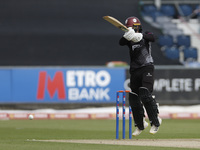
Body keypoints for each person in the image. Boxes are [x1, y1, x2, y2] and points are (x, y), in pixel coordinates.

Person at [119, 16, 162, 136]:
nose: (131, 29)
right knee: (133, 97)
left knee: (145, 92)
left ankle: (155, 121)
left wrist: (141, 36)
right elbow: (121, 42)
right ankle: (140, 124)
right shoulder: (129, 39)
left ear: (137, 27)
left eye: (132, 27)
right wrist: (126, 36)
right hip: (134, 70)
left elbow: (153, 37)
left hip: (146, 67)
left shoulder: (146, 34)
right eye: (128, 28)